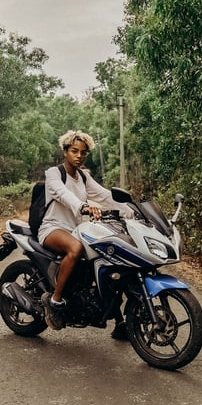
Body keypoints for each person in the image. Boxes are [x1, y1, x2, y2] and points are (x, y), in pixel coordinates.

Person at [37, 130, 133, 335]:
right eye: (74, 151)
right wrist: (83, 206)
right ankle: (55, 301)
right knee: (76, 248)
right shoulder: (54, 173)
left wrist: (131, 210)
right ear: (65, 152)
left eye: (83, 152)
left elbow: (105, 196)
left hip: (75, 229)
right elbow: (63, 194)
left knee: (108, 256)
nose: (79, 156)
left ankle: (119, 320)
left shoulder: (83, 176)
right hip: (53, 228)